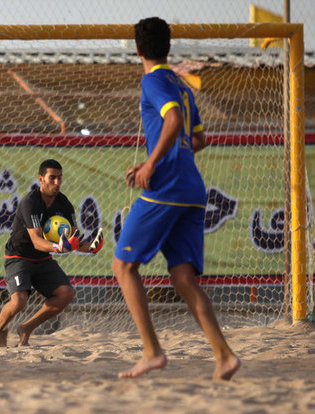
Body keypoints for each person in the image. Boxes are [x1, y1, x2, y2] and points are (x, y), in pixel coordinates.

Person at [111, 17, 241, 380]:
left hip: (166, 188)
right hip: (192, 190)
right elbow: (197, 139)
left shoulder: (152, 80)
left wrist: (152, 164)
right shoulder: (181, 84)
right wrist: (159, 156)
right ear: (168, 48)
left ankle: (152, 352)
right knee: (184, 278)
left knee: (123, 267)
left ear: (137, 50)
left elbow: (172, 121)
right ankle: (224, 356)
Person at [0, 159, 104, 346]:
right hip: (18, 257)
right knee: (19, 302)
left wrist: (91, 247)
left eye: (60, 178)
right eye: (52, 178)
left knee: (66, 294)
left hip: (43, 259)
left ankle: (26, 328)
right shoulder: (30, 203)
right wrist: (57, 248)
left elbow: (75, 238)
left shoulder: (64, 203)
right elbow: (37, 241)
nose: (57, 183)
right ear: (41, 179)